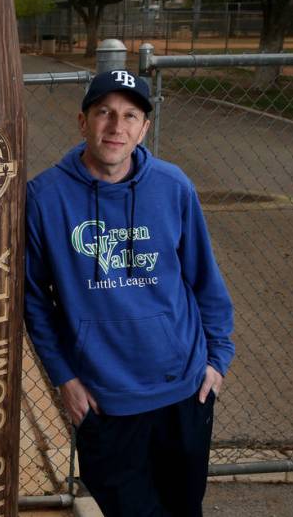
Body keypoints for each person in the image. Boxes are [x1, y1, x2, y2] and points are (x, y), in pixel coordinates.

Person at [24, 69, 234, 517]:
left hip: (183, 392)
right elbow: (35, 301)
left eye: (129, 115)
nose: (116, 127)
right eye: (104, 113)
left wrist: (218, 359)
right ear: (82, 122)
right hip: (105, 400)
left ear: (144, 128)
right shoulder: (44, 198)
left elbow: (204, 280)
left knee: (183, 509)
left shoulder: (173, 186)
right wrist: (64, 377)